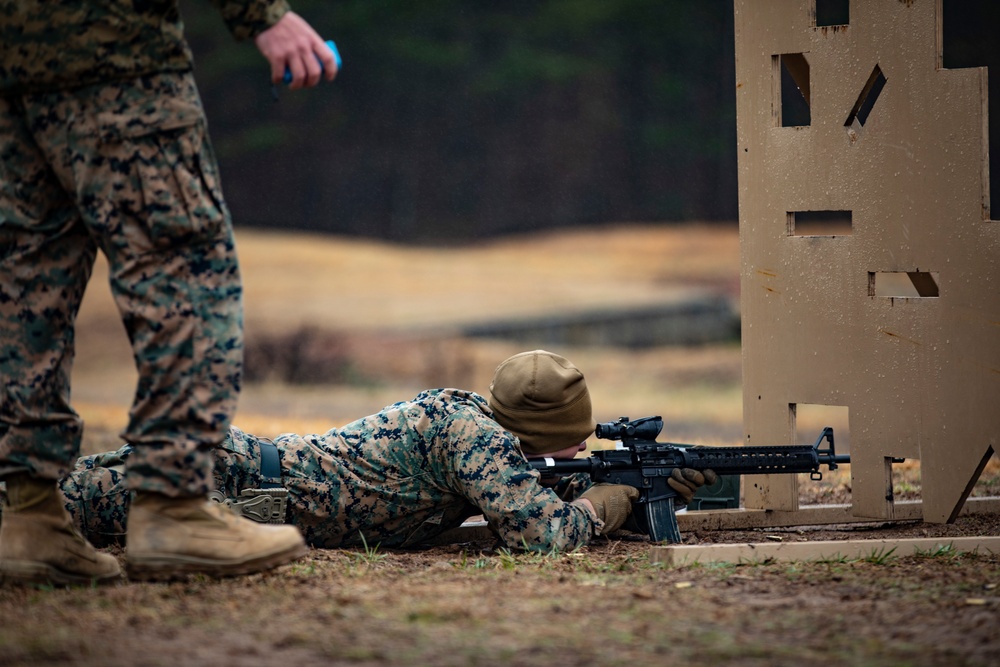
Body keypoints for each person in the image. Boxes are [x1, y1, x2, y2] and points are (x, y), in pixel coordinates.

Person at [0, 1, 338, 585]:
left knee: (27, 288)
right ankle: (173, 504)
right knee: (184, 269)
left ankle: (29, 512)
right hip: (116, 55)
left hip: (14, 64)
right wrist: (262, 12)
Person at [2, 350, 716, 553]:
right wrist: (615, 498)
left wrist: (658, 486)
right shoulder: (474, 437)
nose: (585, 446)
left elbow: (528, 500)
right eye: (577, 436)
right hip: (239, 480)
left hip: (258, 484)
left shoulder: (482, 433)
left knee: (64, 496)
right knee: (55, 504)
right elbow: (543, 536)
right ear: (538, 431)